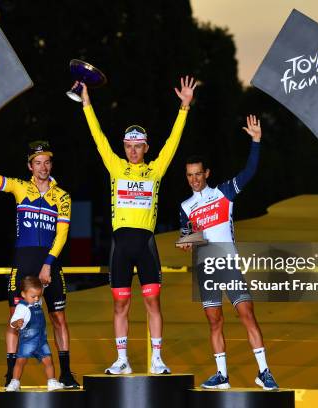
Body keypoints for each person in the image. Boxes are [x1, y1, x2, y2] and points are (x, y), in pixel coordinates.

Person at [75, 76, 197, 375]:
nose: (132, 151)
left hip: (145, 245)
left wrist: (184, 108)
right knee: (120, 307)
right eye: (128, 146)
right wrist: (87, 104)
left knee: (153, 303)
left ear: (145, 147)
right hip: (120, 246)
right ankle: (122, 359)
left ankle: (157, 358)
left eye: (137, 146)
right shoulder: (116, 166)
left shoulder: (156, 169)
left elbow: (172, 143)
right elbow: (98, 137)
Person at [0, 137, 79, 388]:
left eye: (47, 162)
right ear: (30, 166)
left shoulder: (62, 196)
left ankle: (66, 374)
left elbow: (62, 234)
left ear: (51, 164)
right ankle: (10, 376)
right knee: (15, 319)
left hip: (50, 262)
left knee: (58, 317)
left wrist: (48, 263)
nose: (43, 168)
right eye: (37, 163)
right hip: (23, 260)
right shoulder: (20, 188)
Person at [177, 115, 279, 390]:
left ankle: (264, 372)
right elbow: (187, 236)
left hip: (228, 263)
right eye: (190, 175)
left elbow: (249, 172)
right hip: (205, 268)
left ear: (207, 173)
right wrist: (186, 241)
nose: (194, 180)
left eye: (198, 174)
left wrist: (256, 141)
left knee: (247, 314)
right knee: (214, 321)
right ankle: (221, 375)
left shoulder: (224, 193)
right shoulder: (186, 206)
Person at [6, 276, 64, 391]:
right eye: (33, 296)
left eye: (39, 295)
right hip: (28, 341)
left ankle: (51, 381)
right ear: (23, 294)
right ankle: (14, 382)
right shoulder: (21, 308)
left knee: (48, 361)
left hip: (41, 340)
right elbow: (13, 321)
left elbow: (42, 288)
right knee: (20, 361)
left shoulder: (38, 302)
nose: (37, 298)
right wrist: (17, 323)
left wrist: (45, 285)